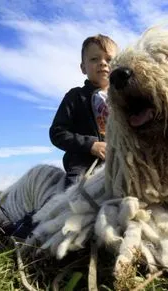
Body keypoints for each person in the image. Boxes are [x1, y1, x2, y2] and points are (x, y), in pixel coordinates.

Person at [50, 34, 118, 187]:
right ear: (83, 68)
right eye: (94, 59)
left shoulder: (124, 99)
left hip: (120, 159)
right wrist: (91, 145)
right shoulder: (75, 96)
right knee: (72, 197)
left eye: (109, 59)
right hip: (84, 163)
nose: (103, 63)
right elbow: (57, 132)